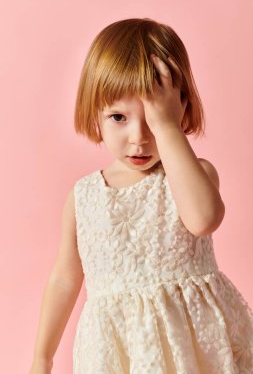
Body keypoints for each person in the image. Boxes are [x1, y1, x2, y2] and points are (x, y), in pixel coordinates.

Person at [29, 18, 253, 374]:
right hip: (120, 353)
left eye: (152, 118)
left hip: (193, 349)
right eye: (118, 117)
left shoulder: (192, 175)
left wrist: (167, 128)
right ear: (95, 113)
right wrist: (43, 357)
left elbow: (203, 218)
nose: (138, 137)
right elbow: (65, 277)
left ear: (182, 107)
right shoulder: (84, 197)